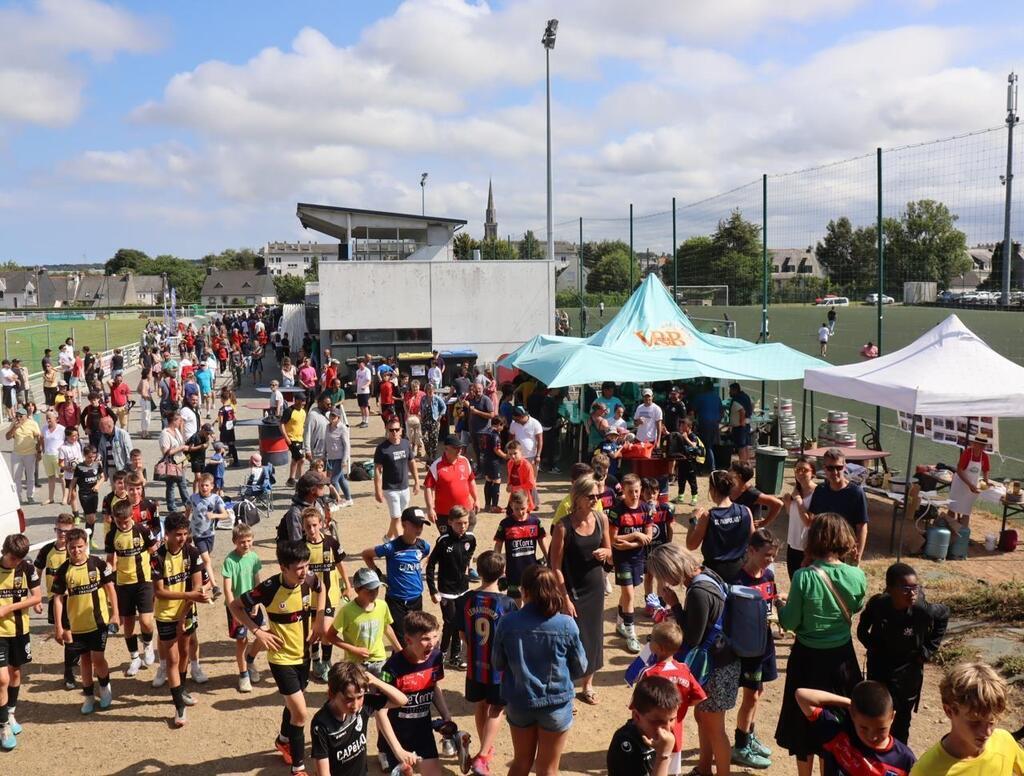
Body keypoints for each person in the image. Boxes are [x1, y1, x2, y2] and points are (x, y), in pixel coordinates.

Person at [774, 513, 867, 776]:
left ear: (814, 539)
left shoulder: (804, 576)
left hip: (808, 659)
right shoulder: (856, 575)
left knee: (804, 722)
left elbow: (790, 622)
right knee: (837, 721)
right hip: (842, 659)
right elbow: (856, 606)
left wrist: (781, 605)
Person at [229, 539, 325, 775]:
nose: (304, 572)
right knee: (301, 713)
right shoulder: (269, 588)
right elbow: (235, 606)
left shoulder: (309, 579)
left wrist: (319, 621)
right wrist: (258, 631)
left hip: (303, 655)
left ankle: (283, 739)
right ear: (283, 568)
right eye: (298, 568)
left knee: (294, 705)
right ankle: (298, 767)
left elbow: (321, 589)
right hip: (281, 659)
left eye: (306, 566)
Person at [492, 565, 588, 776]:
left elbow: (497, 663)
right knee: (547, 769)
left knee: (520, 763)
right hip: (555, 704)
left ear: (524, 591)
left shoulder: (507, 623)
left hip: (519, 701)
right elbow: (581, 667)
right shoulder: (566, 624)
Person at [857, 561, 950, 744]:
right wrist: (872, 646)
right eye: (906, 589)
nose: (913, 593)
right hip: (880, 668)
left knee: (902, 721)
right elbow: (861, 629)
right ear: (890, 589)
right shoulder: (878, 604)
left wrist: (928, 650)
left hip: (908, 671)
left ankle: (899, 761)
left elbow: (944, 614)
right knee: (877, 714)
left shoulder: (922, 609)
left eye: (916, 588)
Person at [549, 475, 610, 706]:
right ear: (578, 497)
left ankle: (587, 686)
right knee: (570, 638)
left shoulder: (601, 518)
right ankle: (566, 690)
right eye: (591, 496)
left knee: (593, 636)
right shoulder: (563, 526)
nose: (595, 499)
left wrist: (606, 553)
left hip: (595, 588)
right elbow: (555, 565)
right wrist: (564, 597)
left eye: (597, 496)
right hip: (571, 588)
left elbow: (609, 550)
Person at [456, 550, 518, 775]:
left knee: (480, 704)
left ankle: (485, 746)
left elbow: (462, 633)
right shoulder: (507, 603)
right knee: (497, 708)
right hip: (498, 669)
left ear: (478, 572)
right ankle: (482, 756)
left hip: (475, 665)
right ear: (503, 572)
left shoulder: (467, 599)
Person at [911, 661, 1024, 775]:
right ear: (949, 711)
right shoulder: (926, 771)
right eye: (975, 723)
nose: (987, 732)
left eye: (991, 722)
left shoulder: (1004, 742)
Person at [52, 527, 119, 715]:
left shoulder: (97, 564)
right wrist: (59, 626)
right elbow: (57, 599)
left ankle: (105, 688)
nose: (76, 551)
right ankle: (89, 696)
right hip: (77, 625)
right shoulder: (64, 570)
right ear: (67, 548)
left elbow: (110, 589)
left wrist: (115, 613)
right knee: (85, 661)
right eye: (72, 548)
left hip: (98, 622)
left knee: (98, 659)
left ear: (86, 545)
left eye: (80, 547)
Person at [379, 610, 454, 776]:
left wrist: (446, 716)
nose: (432, 643)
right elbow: (380, 711)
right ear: (408, 640)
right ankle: (384, 752)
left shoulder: (435, 657)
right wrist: (397, 749)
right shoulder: (392, 668)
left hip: (423, 731)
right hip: (397, 735)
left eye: (435, 637)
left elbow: (433, 687)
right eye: (425, 639)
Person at [310, 661, 415, 776]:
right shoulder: (321, 724)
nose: (355, 705)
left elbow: (402, 700)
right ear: (332, 694)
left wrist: (375, 681)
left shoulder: (364, 704)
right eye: (348, 699)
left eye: (359, 697)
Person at [731, 529, 780, 769]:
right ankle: (741, 746)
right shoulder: (737, 582)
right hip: (749, 649)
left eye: (773, 555)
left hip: (766, 645)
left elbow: (771, 604)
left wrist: (779, 612)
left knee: (757, 694)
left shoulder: (769, 575)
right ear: (751, 551)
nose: (770, 559)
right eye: (766, 554)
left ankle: (749, 735)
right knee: (750, 696)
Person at [632, 621, 707, 775]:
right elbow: (700, 697)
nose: (649, 642)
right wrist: (683, 705)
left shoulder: (648, 673)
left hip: (650, 735)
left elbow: (637, 705)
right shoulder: (684, 670)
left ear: (658, 648)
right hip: (675, 734)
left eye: (650, 639)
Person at [796, 681, 916, 773]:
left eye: (881, 729)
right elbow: (802, 695)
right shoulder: (839, 738)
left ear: (892, 717)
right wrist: (850, 704)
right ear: (853, 716)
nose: (872, 736)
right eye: (864, 728)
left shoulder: (904, 759)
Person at [361, 506, 432, 646]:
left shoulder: (423, 546)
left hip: (416, 598)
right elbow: (366, 554)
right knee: (401, 639)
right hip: (396, 601)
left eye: (421, 525)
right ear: (404, 524)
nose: (419, 528)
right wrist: (379, 575)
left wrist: (420, 565)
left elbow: (428, 554)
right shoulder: (391, 547)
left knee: (416, 634)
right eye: (415, 524)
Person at [103, 500, 158, 678]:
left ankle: (148, 645)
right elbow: (111, 560)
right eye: (119, 522)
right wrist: (108, 575)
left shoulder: (142, 530)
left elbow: (152, 550)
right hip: (123, 584)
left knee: (146, 621)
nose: (123, 524)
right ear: (114, 520)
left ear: (131, 517)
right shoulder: (111, 535)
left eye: (126, 521)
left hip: (143, 581)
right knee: (127, 624)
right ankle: (134, 657)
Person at [0, 533, 42, 750]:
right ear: (4, 551)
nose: (15, 562)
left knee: (15, 672)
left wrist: (9, 608)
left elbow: (36, 597)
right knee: (1, 679)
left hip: (19, 630)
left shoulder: (27, 568)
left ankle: (11, 712)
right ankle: (3, 725)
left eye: (18, 559)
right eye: (12, 558)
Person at [299, 507, 349, 682]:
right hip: (308, 597)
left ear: (321, 524)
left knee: (326, 631)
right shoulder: (301, 547)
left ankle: (326, 662)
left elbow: (340, 564)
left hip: (330, 594)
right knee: (314, 631)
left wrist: (347, 585)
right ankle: (316, 661)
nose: (312, 530)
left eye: (314, 525)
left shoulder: (331, 542)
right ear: (303, 527)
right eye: (308, 526)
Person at [327, 567, 401, 677]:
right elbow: (330, 636)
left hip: (379, 660)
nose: (374, 593)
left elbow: (387, 627)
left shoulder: (382, 606)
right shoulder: (347, 611)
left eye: (376, 589)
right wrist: (354, 650)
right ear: (357, 590)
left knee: (379, 691)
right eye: (369, 590)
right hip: (355, 663)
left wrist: (399, 650)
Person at [608, 473, 653, 654]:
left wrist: (632, 544)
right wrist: (634, 536)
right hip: (622, 559)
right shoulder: (617, 510)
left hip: (637, 557)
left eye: (636, 491)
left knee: (629, 592)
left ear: (641, 490)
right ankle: (631, 633)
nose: (634, 495)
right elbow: (612, 538)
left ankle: (620, 624)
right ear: (623, 492)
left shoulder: (645, 509)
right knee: (629, 593)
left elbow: (648, 537)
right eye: (630, 492)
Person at [426, 506, 475, 669]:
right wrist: (433, 590)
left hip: (463, 589)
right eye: (459, 523)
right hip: (446, 590)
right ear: (450, 522)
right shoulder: (443, 541)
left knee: (460, 623)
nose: (463, 526)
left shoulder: (470, 539)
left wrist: (466, 573)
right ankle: (442, 653)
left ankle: (455, 656)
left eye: (466, 523)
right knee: (450, 622)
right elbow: (430, 566)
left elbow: (468, 556)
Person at [686, 469, 754, 584]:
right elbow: (754, 540)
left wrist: (693, 521)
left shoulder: (708, 516)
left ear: (712, 490)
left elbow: (691, 545)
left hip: (715, 573)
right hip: (740, 570)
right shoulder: (745, 510)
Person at [34, 513, 78, 689]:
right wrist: (36, 598)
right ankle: (75, 654)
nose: (62, 534)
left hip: (74, 599)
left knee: (68, 636)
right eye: (59, 530)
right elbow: (36, 573)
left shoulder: (75, 550)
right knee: (62, 636)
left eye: (66, 531)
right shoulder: (46, 550)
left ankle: (69, 673)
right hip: (55, 600)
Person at [608, 675, 682, 776]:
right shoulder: (624, 744)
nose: (667, 728)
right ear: (637, 717)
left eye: (672, 719)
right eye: (657, 721)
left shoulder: (660, 738)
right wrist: (663, 756)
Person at [221, 523, 264, 694]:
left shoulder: (254, 557)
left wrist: (258, 602)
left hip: (253, 603)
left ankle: (251, 659)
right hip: (236, 607)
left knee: (264, 634)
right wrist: (234, 610)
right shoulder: (229, 561)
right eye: (242, 542)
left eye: (248, 541)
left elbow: (257, 581)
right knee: (242, 641)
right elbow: (227, 589)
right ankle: (243, 674)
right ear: (234, 542)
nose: (246, 544)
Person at [808, 447, 869, 563]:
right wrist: (808, 553)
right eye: (830, 468)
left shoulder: (856, 493)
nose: (835, 472)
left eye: (838, 468)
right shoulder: (820, 490)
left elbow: (862, 527)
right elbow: (813, 523)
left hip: (845, 551)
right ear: (824, 468)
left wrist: (858, 555)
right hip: (822, 551)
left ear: (844, 467)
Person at [494, 491, 548, 600]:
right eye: (516, 509)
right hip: (513, 570)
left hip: (531, 569)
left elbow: (542, 541)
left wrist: (549, 558)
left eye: (523, 508)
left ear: (528, 504)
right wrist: (498, 565)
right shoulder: (505, 524)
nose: (520, 512)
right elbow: (498, 545)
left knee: (531, 600)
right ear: (511, 506)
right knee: (514, 604)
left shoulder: (535, 522)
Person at [423, 435, 478, 537]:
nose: (460, 450)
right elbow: (428, 487)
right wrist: (430, 508)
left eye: (460, 447)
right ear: (447, 449)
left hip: (466, 511)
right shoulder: (437, 465)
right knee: (448, 543)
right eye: (456, 448)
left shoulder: (465, 461)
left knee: (466, 539)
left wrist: (476, 499)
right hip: (445, 514)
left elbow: (471, 481)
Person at [374, 420, 420, 540]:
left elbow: (412, 462)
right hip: (390, 489)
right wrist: (377, 490)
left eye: (396, 429)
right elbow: (378, 470)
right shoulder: (382, 448)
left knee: (400, 517)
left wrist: (416, 481)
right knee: (396, 518)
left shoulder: (406, 444)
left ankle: (387, 538)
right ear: (387, 430)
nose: (394, 432)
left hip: (404, 487)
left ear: (401, 430)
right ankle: (400, 543)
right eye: (391, 430)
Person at [187, 473, 228, 598]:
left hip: (210, 534)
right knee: (206, 559)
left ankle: (206, 582)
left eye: (206, 485)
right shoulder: (193, 498)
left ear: (212, 486)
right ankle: (215, 586)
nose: (203, 488)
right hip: (197, 534)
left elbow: (225, 514)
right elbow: (187, 512)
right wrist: (186, 529)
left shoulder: (216, 499)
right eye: (201, 485)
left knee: (206, 559)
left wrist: (214, 515)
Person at [947, 433, 992, 527]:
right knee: (953, 508)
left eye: (983, 445)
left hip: (972, 486)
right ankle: (949, 529)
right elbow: (959, 470)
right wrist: (969, 484)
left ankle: (963, 534)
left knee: (966, 511)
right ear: (975, 443)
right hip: (960, 484)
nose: (981, 447)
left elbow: (985, 470)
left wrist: (987, 482)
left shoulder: (984, 456)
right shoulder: (967, 453)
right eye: (979, 444)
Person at [782, 457, 816, 580]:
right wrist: (787, 503)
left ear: (813, 472)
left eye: (804, 470)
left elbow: (808, 522)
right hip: (792, 545)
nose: (800, 473)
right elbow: (792, 515)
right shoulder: (796, 490)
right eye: (797, 470)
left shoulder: (817, 493)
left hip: (808, 548)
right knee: (794, 582)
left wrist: (798, 500)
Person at [729, 461, 783, 529]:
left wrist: (764, 522)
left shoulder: (751, 493)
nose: (728, 473)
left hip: (750, 533)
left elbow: (778, 504)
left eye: (730, 470)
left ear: (739, 476)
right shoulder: (731, 488)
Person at [71, 445, 105, 548]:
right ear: (84, 456)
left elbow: (103, 477)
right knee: (90, 518)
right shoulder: (79, 467)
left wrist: (97, 485)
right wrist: (70, 495)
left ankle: (88, 539)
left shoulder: (97, 465)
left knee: (92, 519)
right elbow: (73, 482)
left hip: (94, 495)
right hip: (84, 494)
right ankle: (86, 540)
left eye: (93, 456)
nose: (92, 459)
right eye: (89, 457)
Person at [5, 406, 40, 504]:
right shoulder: (14, 424)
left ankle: (30, 496)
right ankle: (18, 497)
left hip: (30, 454)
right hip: (17, 454)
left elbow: (38, 437)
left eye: (21, 416)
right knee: (16, 477)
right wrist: (15, 427)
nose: (19, 418)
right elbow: (7, 437)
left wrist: (39, 452)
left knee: (30, 476)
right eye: (17, 416)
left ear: (26, 416)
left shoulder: (33, 423)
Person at [159, 412, 190, 513]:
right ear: (174, 421)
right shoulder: (165, 433)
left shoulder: (176, 430)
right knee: (171, 486)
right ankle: (172, 508)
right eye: (179, 420)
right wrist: (181, 447)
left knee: (183, 485)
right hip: (171, 464)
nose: (181, 422)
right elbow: (166, 452)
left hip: (180, 462)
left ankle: (188, 505)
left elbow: (181, 444)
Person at [325, 406, 353, 507]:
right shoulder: (327, 427)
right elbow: (326, 441)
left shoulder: (343, 428)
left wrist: (344, 460)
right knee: (341, 479)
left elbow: (347, 445)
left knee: (333, 480)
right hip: (331, 458)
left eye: (334, 416)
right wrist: (325, 454)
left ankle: (336, 501)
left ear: (338, 418)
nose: (332, 417)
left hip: (340, 458)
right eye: (331, 415)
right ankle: (349, 499)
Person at [280, 394, 308, 486]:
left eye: (304, 401)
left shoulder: (303, 412)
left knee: (295, 459)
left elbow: (302, 425)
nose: (303, 403)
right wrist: (286, 437)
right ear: (296, 401)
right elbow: (281, 424)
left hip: (300, 438)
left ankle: (291, 479)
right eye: (301, 401)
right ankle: (301, 480)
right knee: (302, 459)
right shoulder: (289, 411)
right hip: (291, 439)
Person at [419, 381, 447, 463]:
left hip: (434, 421)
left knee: (433, 440)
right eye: (428, 389)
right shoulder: (423, 398)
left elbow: (444, 407)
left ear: (434, 390)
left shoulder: (437, 398)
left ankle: (433, 457)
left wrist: (440, 415)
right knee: (425, 438)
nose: (430, 391)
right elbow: (421, 408)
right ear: (426, 390)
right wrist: (421, 414)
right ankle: (428, 454)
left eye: (431, 389)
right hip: (425, 421)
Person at [727, 382, 753, 465]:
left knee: (741, 447)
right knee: (745, 446)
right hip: (746, 424)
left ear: (735, 390)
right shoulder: (745, 396)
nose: (729, 392)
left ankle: (742, 465)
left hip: (740, 426)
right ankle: (747, 464)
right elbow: (752, 404)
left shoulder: (737, 399)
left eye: (730, 390)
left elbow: (742, 411)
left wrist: (742, 422)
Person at [354, 358, 372, 428]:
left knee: (365, 406)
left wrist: (365, 386)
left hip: (365, 392)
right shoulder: (357, 371)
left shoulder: (367, 371)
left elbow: (369, 381)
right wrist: (351, 383)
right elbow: (356, 381)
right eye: (358, 364)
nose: (359, 365)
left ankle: (366, 421)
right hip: (359, 392)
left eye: (360, 364)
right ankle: (363, 420)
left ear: (363, 364)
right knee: (361, 407)